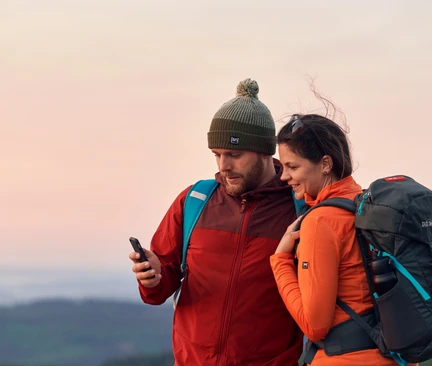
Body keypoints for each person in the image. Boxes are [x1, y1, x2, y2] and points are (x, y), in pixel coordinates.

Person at [129, 79, 304, 366]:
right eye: (217, 155)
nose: (223, 166)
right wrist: (153, 276)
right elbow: (160, 287)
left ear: (264, 151)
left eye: (235, 155)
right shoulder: (194, 201)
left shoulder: (298, 210)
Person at [270, 113, 417, 366]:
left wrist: (281, 261)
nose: (284, 177)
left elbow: (315, 327)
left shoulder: (321, 221)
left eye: (293, 167)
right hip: (395, 357)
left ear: (326, 164)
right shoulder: (367, 206)